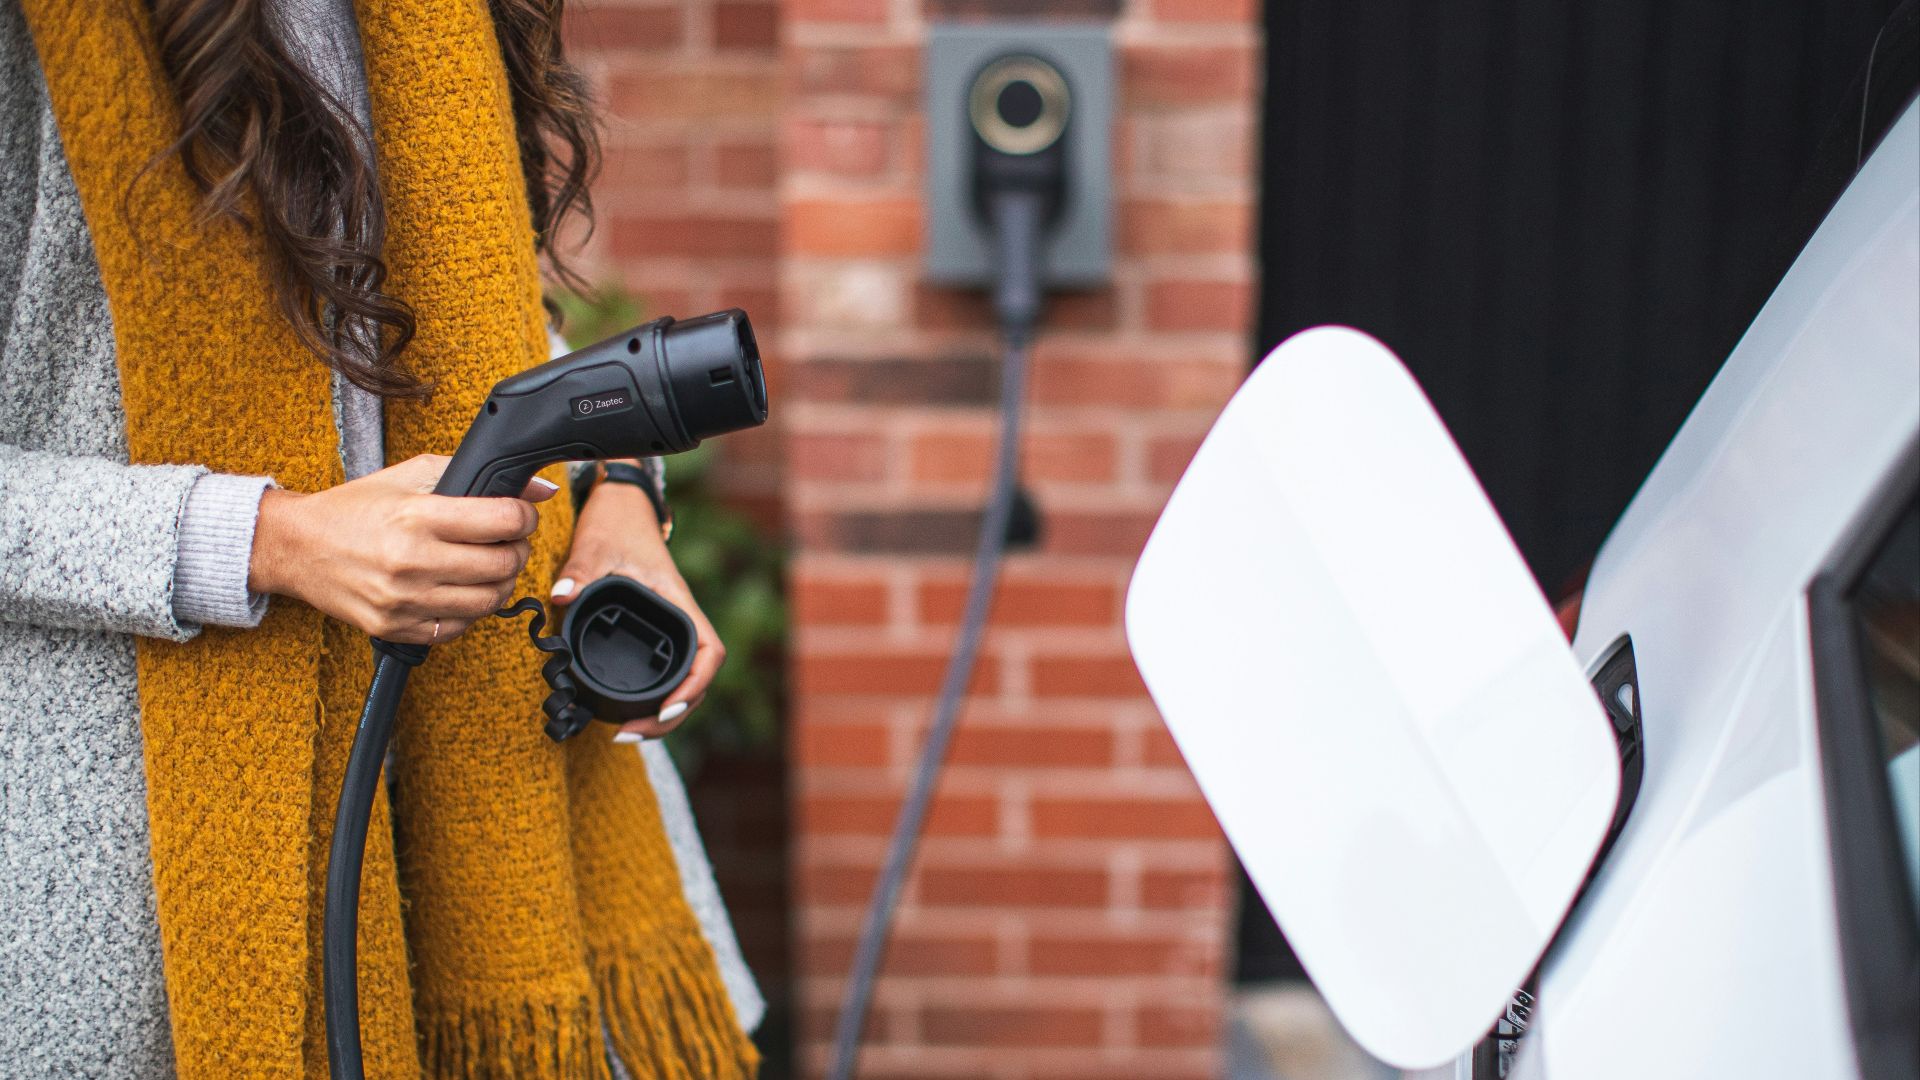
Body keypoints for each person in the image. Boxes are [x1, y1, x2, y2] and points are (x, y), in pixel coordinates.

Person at [0, 0, 761, 1076]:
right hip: (153, 877)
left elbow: (492, 328)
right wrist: (271, 540)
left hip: (501, 805)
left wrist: (623, 495)